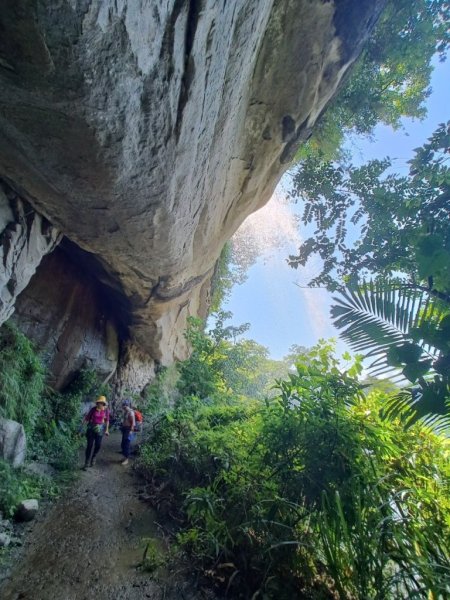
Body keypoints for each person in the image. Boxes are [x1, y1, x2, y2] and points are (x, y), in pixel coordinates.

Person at [82, 395, 110, 469]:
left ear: (103, 404)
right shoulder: (93, 409)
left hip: (100, 429)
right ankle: (86, 462)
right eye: (99, 403)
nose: (100, 404)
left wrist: (107, 430)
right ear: (97, 403)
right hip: (91, 428)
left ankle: (94, 456)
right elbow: (87, 418)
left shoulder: (106, 411)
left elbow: (107, 421)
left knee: (98, 445)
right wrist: (82, 428)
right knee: (89, 445)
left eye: (101, 403)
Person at [120, 399, 135, 466]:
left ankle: (126, 459)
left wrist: (131, 431)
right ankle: (124, 457)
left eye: (125, 405)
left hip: (128, 430)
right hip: (125, 429)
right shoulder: (125, 412)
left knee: (126, 444)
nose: (123, 407)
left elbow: (133, 423)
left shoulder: (130, 412)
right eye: (123, 405)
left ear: (127, 405)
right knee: (123, 444)